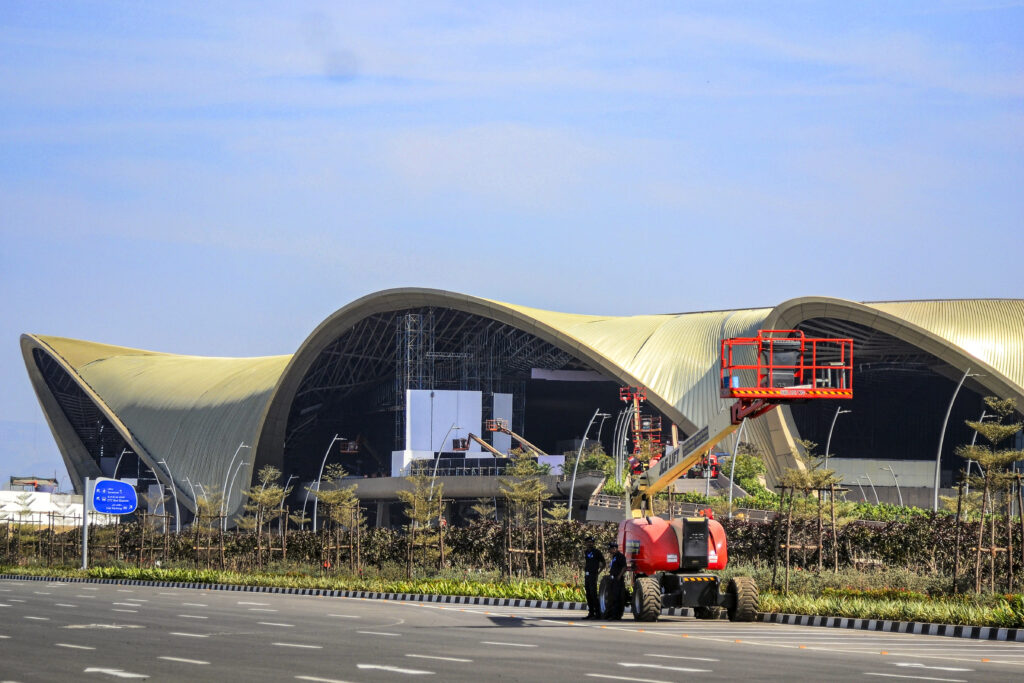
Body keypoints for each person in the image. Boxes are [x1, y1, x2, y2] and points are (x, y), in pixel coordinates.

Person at [582, 536, 605, 619]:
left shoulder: (597, 552)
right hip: (587, 575)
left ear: (593, 543)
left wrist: (598, 572)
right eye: (588, 542)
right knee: (588, 594)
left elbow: (603, 563)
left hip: (593, 574)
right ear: (586, 543)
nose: (589, 543)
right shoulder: (586, 552)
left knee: (593, 594)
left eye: (591, 542)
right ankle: (591, 612)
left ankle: (597, 613)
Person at [605, 541, 628, 620]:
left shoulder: (620, 556)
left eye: (610, 549)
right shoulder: (614, 557)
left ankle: (616, 615)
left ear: (614, 549)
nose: (609, 551)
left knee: (616, 598)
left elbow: (624, 567)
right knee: (611, 597)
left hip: (617, 579)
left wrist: (619, 576)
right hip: (613, 579)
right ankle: (611, 614)